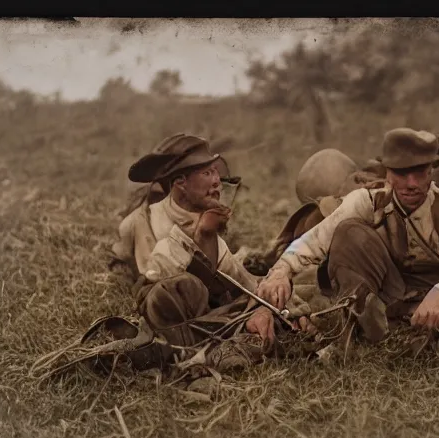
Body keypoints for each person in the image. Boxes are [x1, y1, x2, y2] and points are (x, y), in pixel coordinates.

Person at [254, 128, 439, 356]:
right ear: (387, 173)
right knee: (349, 232)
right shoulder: (368, 201)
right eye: (401, 173)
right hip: (390, 294)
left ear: (431, 171)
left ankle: (430, 333)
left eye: (419, 172)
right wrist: (282, 270)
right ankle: (368, 328)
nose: (410, 183)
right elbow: (316, 238)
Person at [126, 134, 314, 347]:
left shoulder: (210, 227)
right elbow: (167, 297)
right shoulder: (152, 227)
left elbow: (248, 286)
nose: (217, 181)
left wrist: (286, 307)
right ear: (180, 182)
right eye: (207, 173)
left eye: (215, 171)